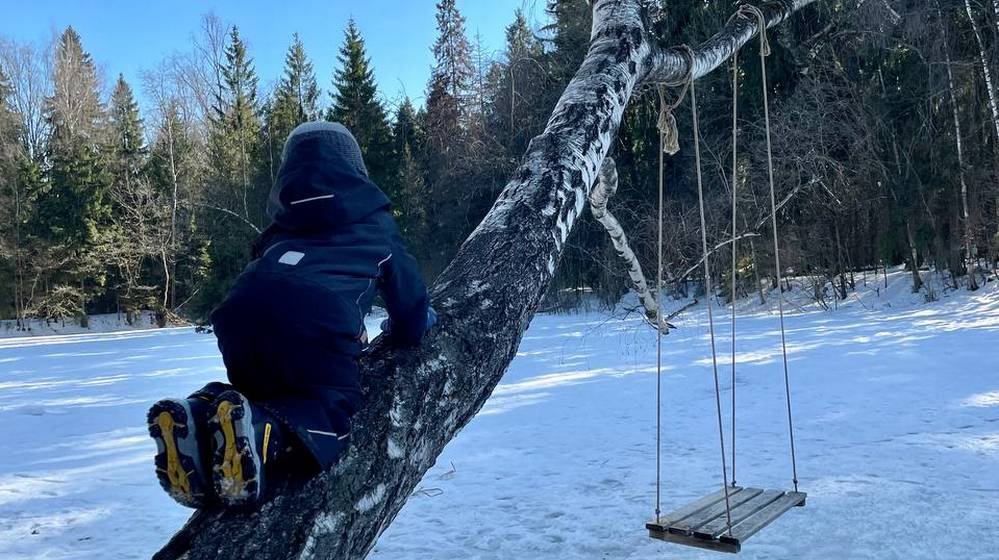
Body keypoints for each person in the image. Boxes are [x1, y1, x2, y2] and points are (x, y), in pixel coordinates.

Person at [146, 122, 435, 509]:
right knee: (330, 403)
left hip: (240, 316)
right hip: (317, 319)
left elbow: (275, 291)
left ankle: (197, 416)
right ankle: (268, 432)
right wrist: (412, 325)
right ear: (356, 167)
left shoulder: (279, 227)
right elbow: (410, 308)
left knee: (255, 393)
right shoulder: (374, 223)